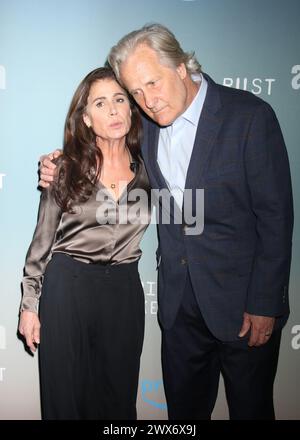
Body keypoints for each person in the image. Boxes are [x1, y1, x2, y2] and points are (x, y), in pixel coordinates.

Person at [39, 24, 294, 420]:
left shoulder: (249, 116)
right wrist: (56, 163)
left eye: (152, 84)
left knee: (251, 410)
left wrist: (265, 302)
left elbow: (276, 218)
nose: (148, 100)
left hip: (243, 308)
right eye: (136, 93)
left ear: (181, 68)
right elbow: (104, 157)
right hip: (180, 314)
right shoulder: (147, 131)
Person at [18, 66, 151, 420]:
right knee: (65, 400)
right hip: (68, 287)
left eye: (120, 100)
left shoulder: (150, 172)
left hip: (124, 292)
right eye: (101, 103)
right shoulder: (65, 168)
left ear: (131, 108)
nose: (112, 110)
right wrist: (30, 305)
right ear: (87, 118)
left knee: (118, 403)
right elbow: (41, 242)